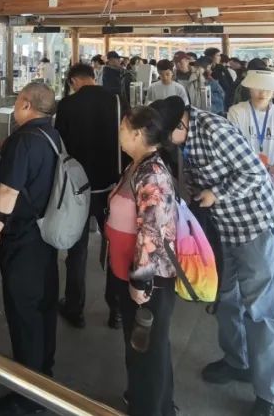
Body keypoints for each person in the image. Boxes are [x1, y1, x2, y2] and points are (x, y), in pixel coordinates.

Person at [150, 96, 274, 416]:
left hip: (255, 225)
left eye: (166, 138)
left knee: (263, 309)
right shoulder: (184, 138)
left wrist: (216, 193)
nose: (166, 144)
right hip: (223, 229)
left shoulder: (215, 130)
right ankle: (237, 360)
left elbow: (255, 173)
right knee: (226, 297)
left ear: (181, 124)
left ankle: (270, 395)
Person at [0, 82, 60, 416]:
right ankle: (44, 376)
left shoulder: (24, 139)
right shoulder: (52, 136)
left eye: (18, 102)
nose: (15, 107)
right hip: (46, 235)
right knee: (43, 308)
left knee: (23, 314)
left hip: (22, 237)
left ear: (27, 105)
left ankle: (28, 398)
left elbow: (8, 191)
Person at [106, 105, 178, 416]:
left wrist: (140, 281)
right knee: (146, 346)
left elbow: (152, 231)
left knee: (147, 349)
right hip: (129, 270)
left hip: (149, 279)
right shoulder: (137, 165)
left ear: (137, 134)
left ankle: (149, 408)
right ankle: (152, 402)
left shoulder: (152, 174)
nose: (119, 134)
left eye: (123, 129)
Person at [55, 62, 122, 330]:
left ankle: (75, 308)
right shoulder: (116, 101)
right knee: (115, 248)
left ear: (73, 81)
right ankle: (116, 311)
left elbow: (61, 146)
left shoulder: (67, 105)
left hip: (78, 189)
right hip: (110, 187)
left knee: (77, 249)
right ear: (94, 77)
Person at [227, 70, 274, 170]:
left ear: (273, 90)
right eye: (257, 87)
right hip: (245, 171)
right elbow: (233, 145)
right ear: (250, 88)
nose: (263, 93)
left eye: (268, 88)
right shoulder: (237, 111)